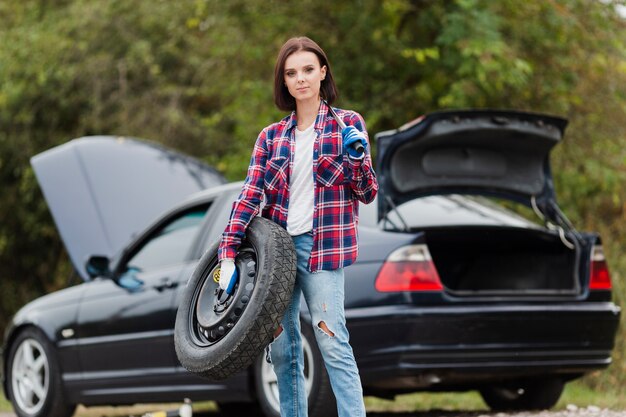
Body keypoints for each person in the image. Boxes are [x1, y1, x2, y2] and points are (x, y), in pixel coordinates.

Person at [217, 36, 378, 417]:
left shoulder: (348, 125)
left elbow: (367, 192)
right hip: (277, 256)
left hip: (323, 249)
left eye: (308, 70)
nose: (301, 79)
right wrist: (227, 251)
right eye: (292, 73)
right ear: (284, 82)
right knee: (283, 349)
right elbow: (250, 195)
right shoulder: (270, 138)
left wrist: (358, 159)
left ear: (323, 73)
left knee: (332, 342)